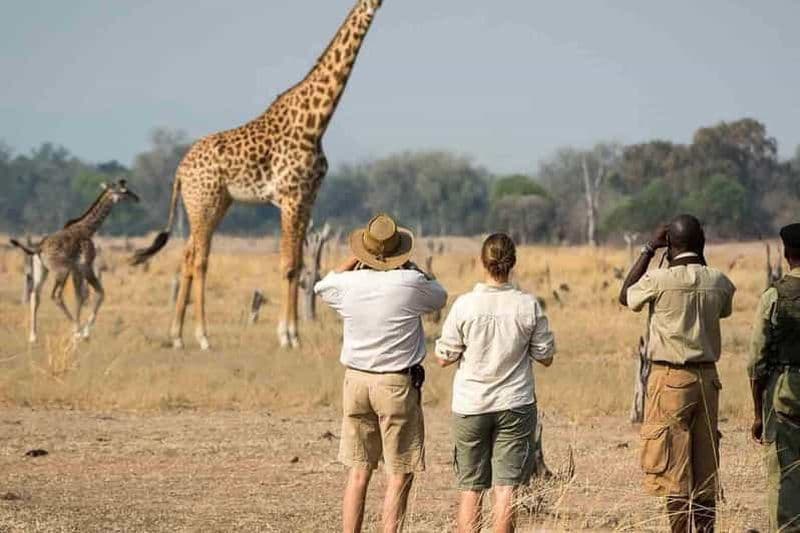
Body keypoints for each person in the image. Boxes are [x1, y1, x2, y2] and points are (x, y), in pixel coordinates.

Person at [314, 213, 447, 533]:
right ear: (400, 251)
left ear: (365, 252)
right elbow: (439, 294)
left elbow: (322, 286)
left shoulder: (348, 285)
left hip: (356, 381)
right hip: (395, 384)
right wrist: (411, 267)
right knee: (399, 472)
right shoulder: (410, 283)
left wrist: (352, 260)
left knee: (358, 472)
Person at [619, 214, 736, 533]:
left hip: (670, 380)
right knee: (705, 468)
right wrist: (696, 254)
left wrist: (648, 249)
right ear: (702, 244)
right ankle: (706, 529)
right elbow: (722, 305)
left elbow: (625, 295)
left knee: (673, 468)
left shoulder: (658, 281)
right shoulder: (719, 280)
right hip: (708, 381)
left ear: (669, 244)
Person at [435, 233, 555, 533]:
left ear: (482, 262)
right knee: (506, 489)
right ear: (512, 263)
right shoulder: (527, 305)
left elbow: (443, 357)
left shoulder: (464, 306)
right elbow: (546, 356)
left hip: (471, 404)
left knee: (471, 488)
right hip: (515, 403)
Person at [750, 223, 800, 531]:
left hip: (785, 395)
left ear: (786, 253)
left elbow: (756, 362)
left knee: (783, 472)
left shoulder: (774, 296)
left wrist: (758, 412)